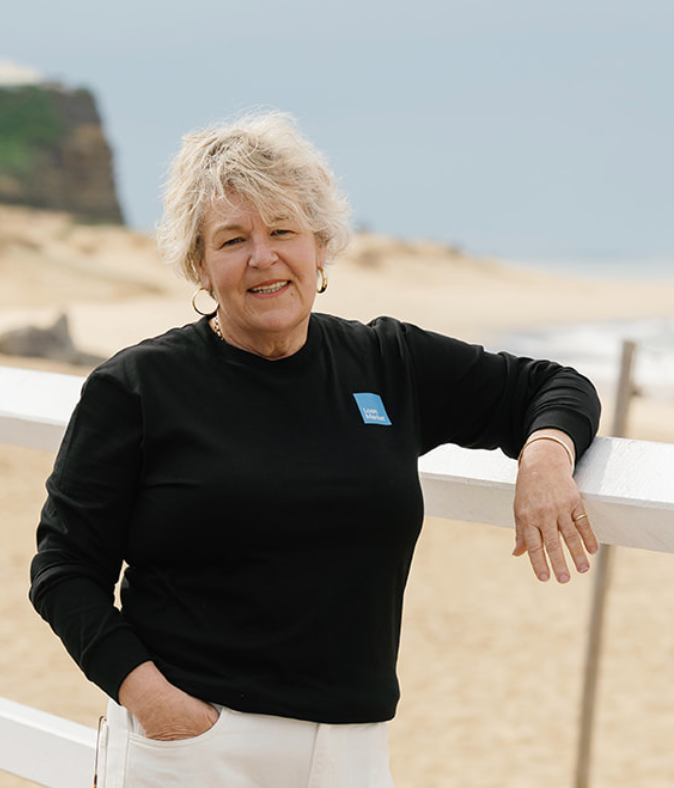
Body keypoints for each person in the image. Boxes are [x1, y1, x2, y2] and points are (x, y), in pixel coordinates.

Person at [29, 111, 600, 788]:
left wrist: (545, 454)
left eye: (282, 231)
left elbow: (552, 385)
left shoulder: (387, 361)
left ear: (321, 246)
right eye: (232, 239)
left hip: (351, 750)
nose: (261, 257)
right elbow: (63, 569)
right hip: (192, 743)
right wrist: (151, 701)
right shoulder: (136, 388)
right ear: (200, 265)